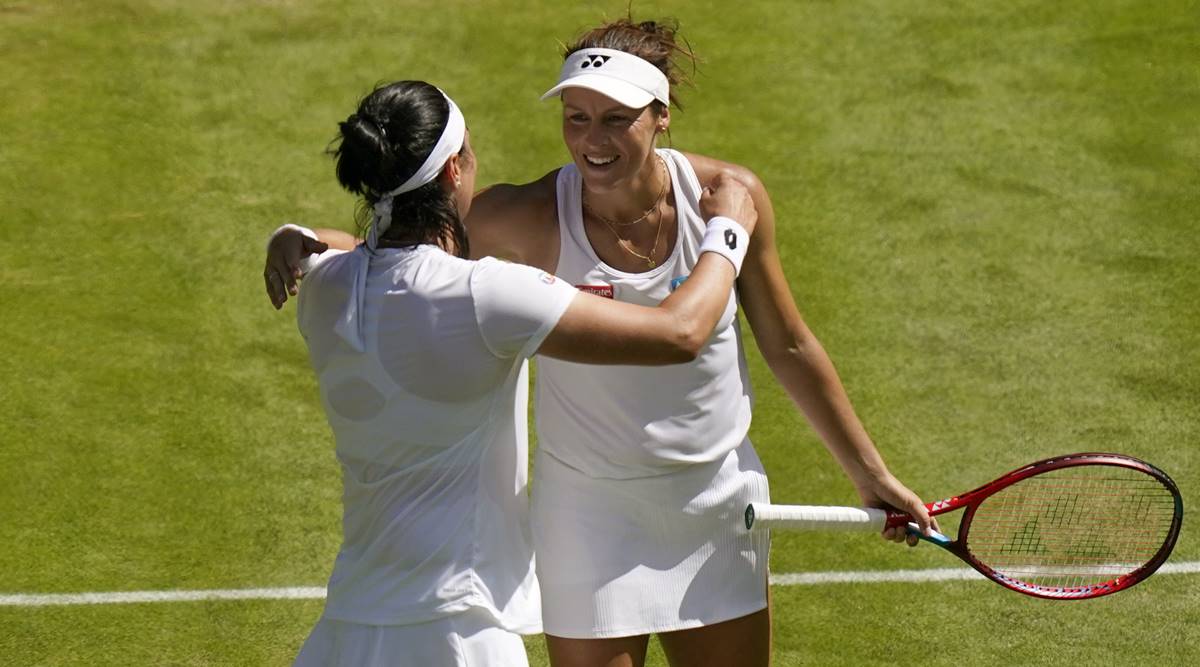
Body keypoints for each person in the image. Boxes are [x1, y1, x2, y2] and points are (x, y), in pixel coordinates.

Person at [267, 18, 936, 667]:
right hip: (585, 523)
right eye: (576, 116)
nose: (592, 139)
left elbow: (788, 344)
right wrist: (311, 240)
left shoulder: (730, 195)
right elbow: (408, 256)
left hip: (715, 509)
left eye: (616, 118)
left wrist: (870, 474)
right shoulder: (524, 218)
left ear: (661, 114)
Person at [273, 79, 759, 667]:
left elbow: (364, 258)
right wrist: (727, 232)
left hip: (344, 631)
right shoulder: (487, 296)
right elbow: (679, 333)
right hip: (461, 635)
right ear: (454, 170)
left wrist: (296, 237)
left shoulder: (322, 289)